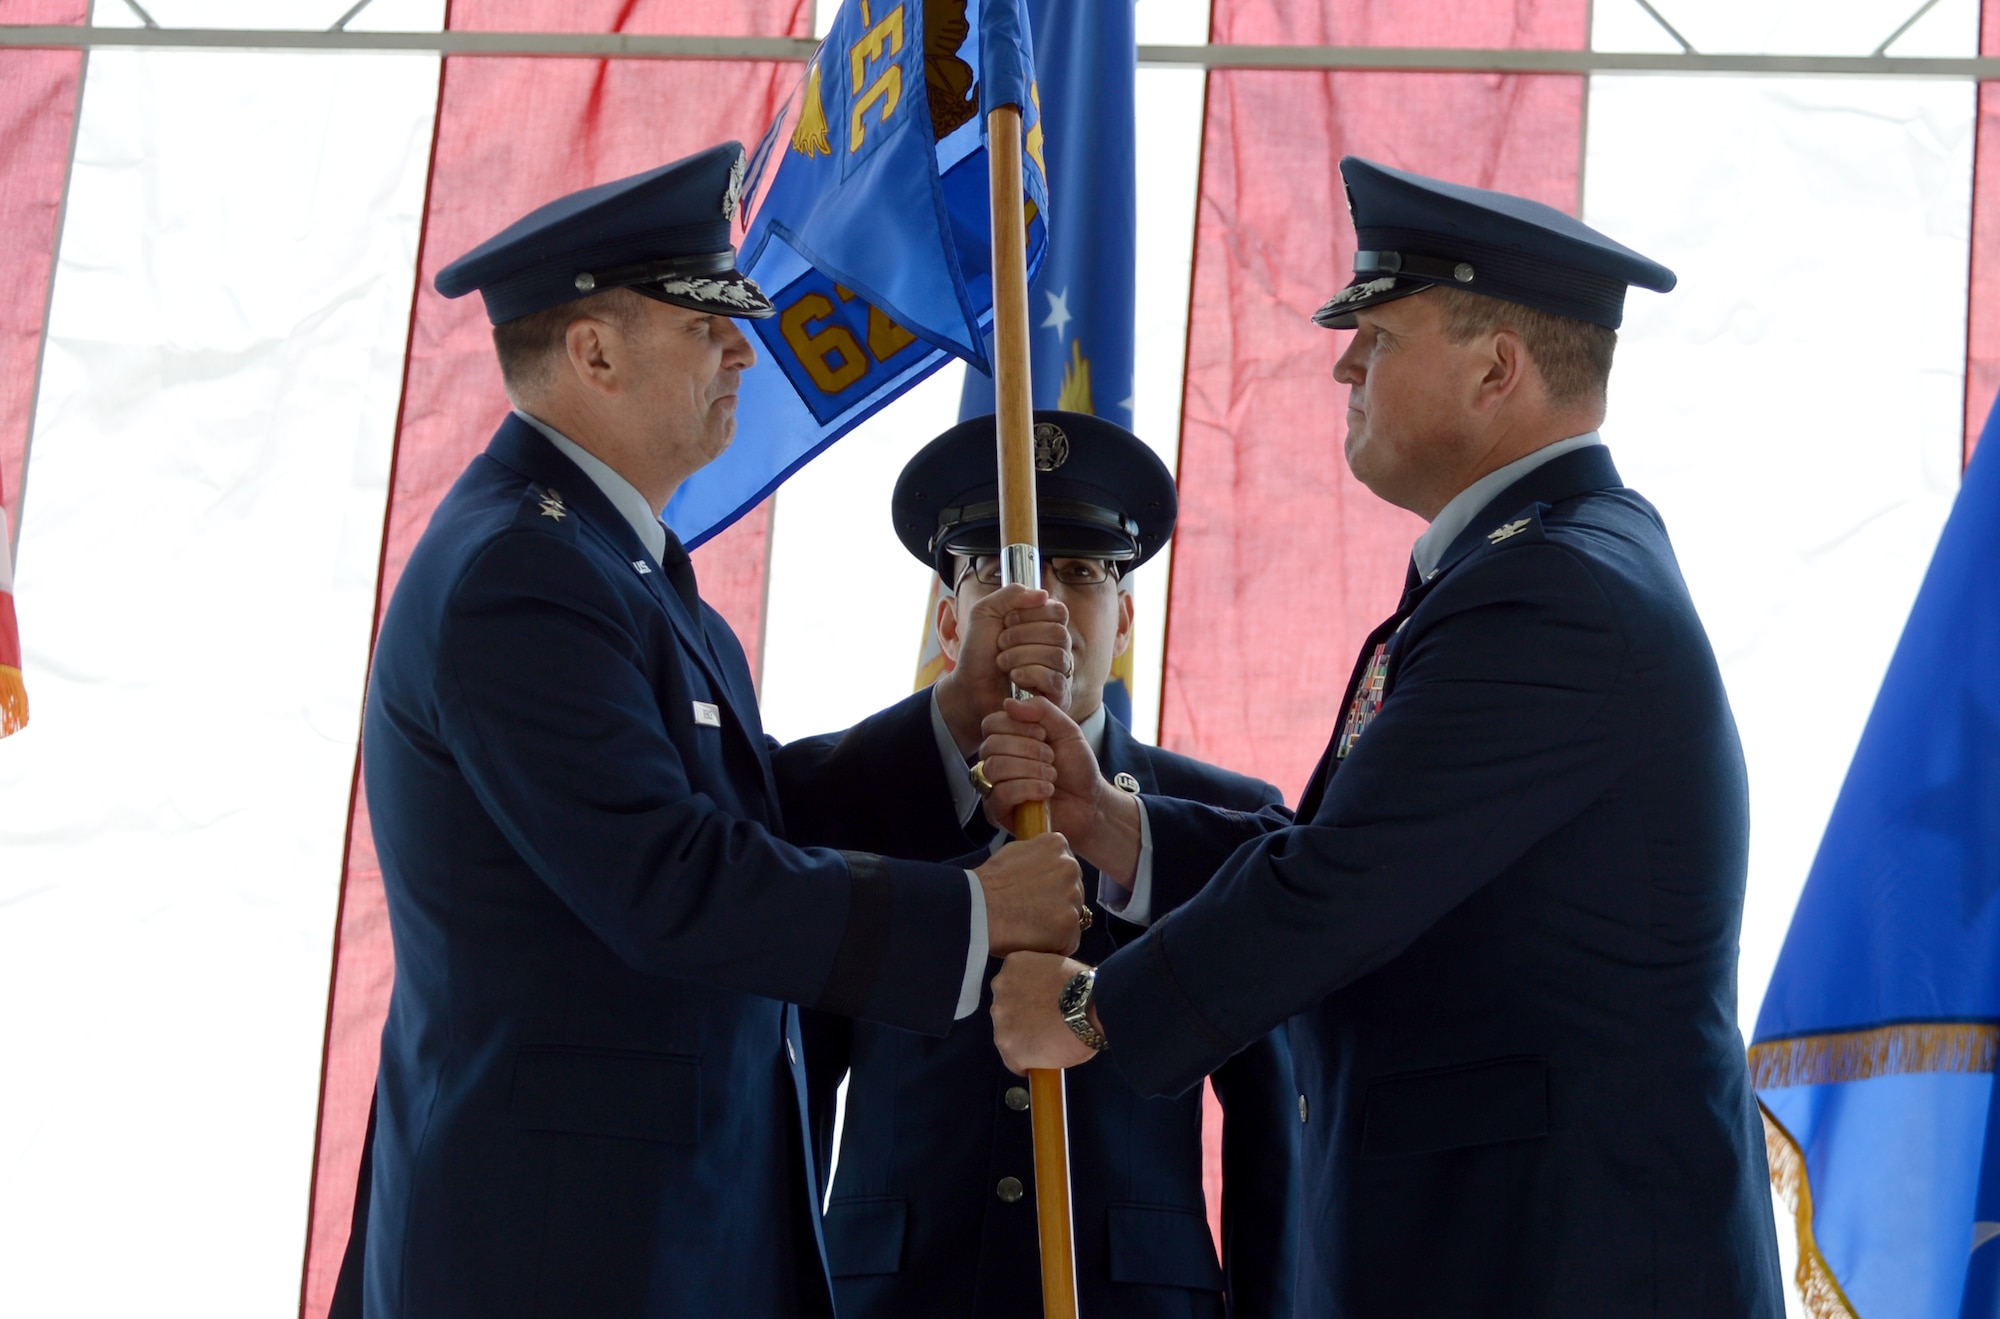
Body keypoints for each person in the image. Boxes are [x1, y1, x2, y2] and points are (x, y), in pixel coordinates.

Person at [980, 158, 1787, 1314]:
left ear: (1495, 367)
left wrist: (1089, 1008)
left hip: (1559, 1257)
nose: (1342, 361)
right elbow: (1368, 857)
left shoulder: (1547, 591)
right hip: (1506, 1246)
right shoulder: (1526, 566)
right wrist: (1112, 822)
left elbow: (1341, 887)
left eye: (1378, 334)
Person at [355, 143, 1085, 1319]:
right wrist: (976, 913)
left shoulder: (611, 562)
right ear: (592, 350)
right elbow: (668, 878)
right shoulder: (520, 576)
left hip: (657, 1226)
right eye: (704, 324)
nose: (743, 347)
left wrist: (949, 720)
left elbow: (746, 817)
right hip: (563, 1243)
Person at [771, 411, 1300, 1318]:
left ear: (1125, 617)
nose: (1045, 604)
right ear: (949, 618)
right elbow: (788, 1093)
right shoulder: (829, 796)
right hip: (895, 1295)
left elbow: (1271, 1125)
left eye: (1085, 573)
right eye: (999, 571)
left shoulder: (1236, 824)